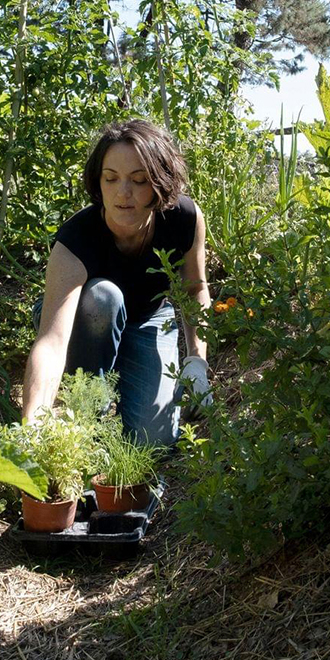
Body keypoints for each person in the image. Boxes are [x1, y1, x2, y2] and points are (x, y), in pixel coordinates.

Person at [20, 120, 212, 446]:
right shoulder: (75, 239)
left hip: (148, 320)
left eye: (138, 181)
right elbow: (52, 342)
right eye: (111, 179)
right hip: (84, 319)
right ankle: (86, 410)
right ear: (99, 181)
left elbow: (195, 289)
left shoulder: (184, 218)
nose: (123, 193)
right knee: (103, 298)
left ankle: (126, 387)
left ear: (159, 184)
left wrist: (197, 361)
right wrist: (32, 423)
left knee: (154, 441)